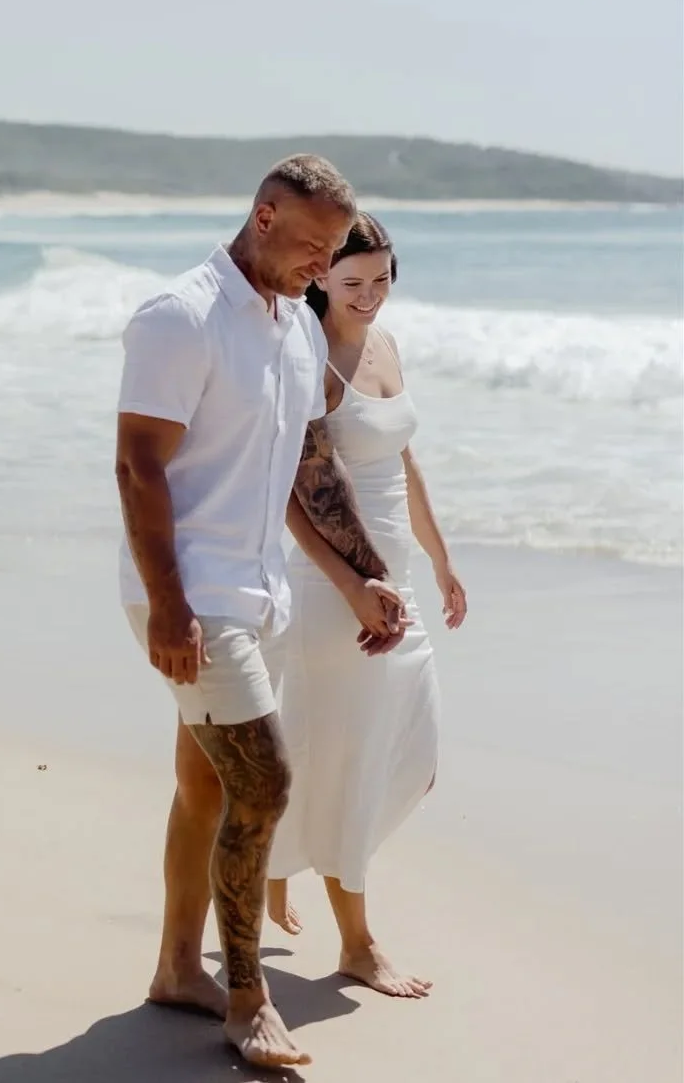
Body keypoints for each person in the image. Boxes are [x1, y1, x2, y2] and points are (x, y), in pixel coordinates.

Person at [115, 160, 406, 1070]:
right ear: (265, 217)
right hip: (192, 598)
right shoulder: (182, 317)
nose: (323, 269)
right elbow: (137, 466)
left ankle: (175, 968)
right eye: (314, 248)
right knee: (265, 783)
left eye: (335, 255)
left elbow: (300, 481)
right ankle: (248, 995)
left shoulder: (293, 331)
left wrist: (361, 577)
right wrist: (168, 602)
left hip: (261, 589)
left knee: (207, 785)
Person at [266, 212, 468, 999]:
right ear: (320, 278)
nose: (371, 296)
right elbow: (294, 488)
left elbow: (403, 458)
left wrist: (442, 557)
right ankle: (357, 943)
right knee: (349, 765)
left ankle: (280, 856)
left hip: (402, 582)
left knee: (412, 760)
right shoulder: (306, 355)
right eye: (354, 283)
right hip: (340, 589)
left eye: (383, 279)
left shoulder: (386, 344)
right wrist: (356, 586)